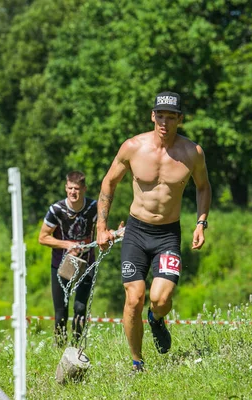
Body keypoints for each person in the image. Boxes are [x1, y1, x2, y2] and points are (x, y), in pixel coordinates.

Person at [96, 91, 212, 372]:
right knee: (134, 298)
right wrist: (101, 227)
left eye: (171, 117)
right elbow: (109, 183)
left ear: (179, 120)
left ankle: (157, 319)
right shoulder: (133, 147)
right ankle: (137, 362)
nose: (164, 122)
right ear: (152, 116)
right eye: (160, 115)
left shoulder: (191, 153)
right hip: (136, 232)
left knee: (160, 299)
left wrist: (201, 222)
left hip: (168, 235)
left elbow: (203, 187)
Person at [38, 171, 98, 347]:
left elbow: (102, 229)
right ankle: (60, 346)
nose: (73, 192)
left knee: (80, 308)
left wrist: (111, 234)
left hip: (87, 264)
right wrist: (67, 245)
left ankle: (77, 347)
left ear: (84, 189)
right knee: (60, 311)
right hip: (61, 266)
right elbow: (43, 237)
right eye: (70, 188)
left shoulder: (94, 208)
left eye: (77, 189)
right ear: (66, 188)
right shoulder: (56, 210)